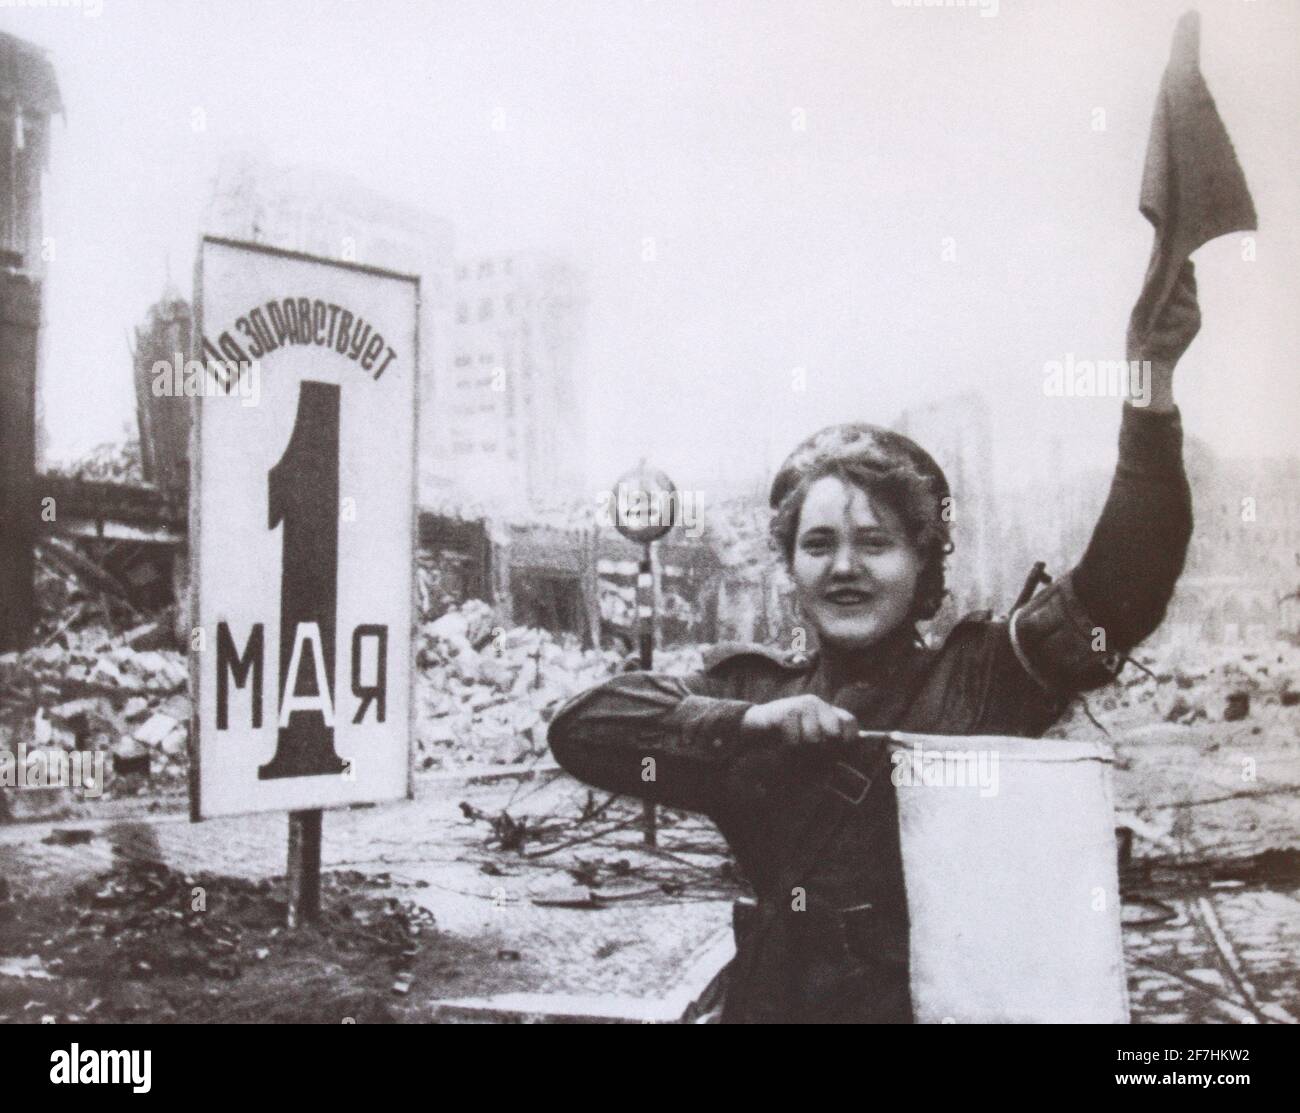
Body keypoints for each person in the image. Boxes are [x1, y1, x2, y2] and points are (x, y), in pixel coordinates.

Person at [547, 264, 1201, 1023]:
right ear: (790, 567)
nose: (846, 567)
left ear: (923, 561)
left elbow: (1130, 578)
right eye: (818, 543)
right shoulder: (748, 691)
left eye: (876, 542)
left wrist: (1151, 387)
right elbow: (581, 728)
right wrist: (749, 725)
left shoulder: (990, 674)